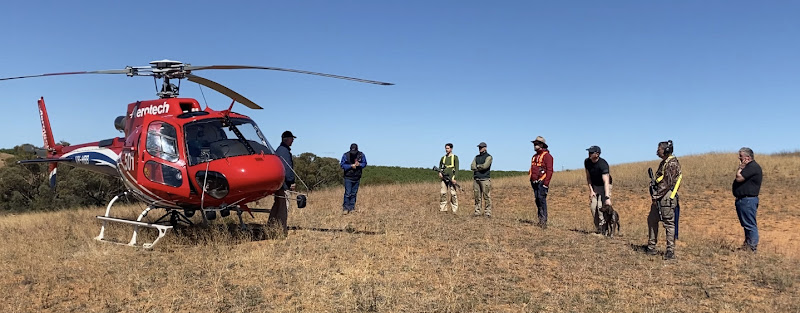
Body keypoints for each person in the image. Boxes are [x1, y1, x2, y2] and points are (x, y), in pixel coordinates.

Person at [646, 140, 682, 260]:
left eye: (659, 149)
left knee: (669, 224)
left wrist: (656, 196)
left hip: (666, 196)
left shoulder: (672, 163)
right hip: (659, 195)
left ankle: (670, 251)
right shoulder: (664, 162)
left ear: (666, 150)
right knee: (652, 220)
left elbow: (667, 183)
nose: (657, 151)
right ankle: (651, 247)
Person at [732, 147, 762, 252]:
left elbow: (739, 178)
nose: (739, 158)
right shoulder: (749, 167)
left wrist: (740, 168)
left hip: (748, 200)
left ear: (748, 157)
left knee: (750, 224)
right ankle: (747, 245)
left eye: (741, 156)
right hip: (743, 200)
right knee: (746, 224)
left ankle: (752, 247)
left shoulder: (752, 167)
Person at [268, 130, 296, 235]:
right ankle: (281, 230)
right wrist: (291, 181)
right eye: (292, 139)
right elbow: (287, 169)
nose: (293, 141)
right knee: (284, 206)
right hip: (284, 184)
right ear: (287, 139)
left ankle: (271, 226)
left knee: (277, 205)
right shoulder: (284, 151)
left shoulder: (279, 150)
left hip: (279, 184)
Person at [584, 145, 613, 233]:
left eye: (591, 152)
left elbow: (606, 182)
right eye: (589, 152)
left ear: (597, 154)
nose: (589, 154)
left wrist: (607, 197)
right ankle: (599, 229)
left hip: (605, 186)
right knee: (593, 207)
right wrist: (591, 190)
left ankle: (605, 229)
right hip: (595, 186)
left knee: (601, 207)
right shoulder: (587, 162)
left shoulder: (603, 164)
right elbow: (588, 177)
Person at [529, 136, 553, 228]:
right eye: (534, 144)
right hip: (534, 182)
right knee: (537, 200)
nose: (535, 145)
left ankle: (543, 222)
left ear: (542, 145)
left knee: (542, 200)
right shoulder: (534, 156)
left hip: (542, 182)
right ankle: (540, 220)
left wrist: (546, 184)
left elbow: (550, 171)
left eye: (537, 144)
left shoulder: (547, 156)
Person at [340, 143, 367, 214]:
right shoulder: (346, 155)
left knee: (354, 193)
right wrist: (350, 166)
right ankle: (345, 208)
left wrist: (359, 164)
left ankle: (352, 208)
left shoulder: (361, 155)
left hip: (357, 177)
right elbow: (342, 165)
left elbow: (364, 163)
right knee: (347, 193)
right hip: (348, 177)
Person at [471, 142, 493, 217]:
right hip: (476, 179)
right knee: (477, 196)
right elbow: (472, 166)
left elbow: (485, 166)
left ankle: (487, 212)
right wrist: (479, 167)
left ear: (485, 148)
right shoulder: (476, 157)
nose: (480, 149)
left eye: (481, 147)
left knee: (486, 196)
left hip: (485, 179)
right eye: (479, 147)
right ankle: (477, 212)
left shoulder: (489, 157)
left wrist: (477, 167)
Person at [439, 143, 459, 213]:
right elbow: (440, 167)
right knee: (443, 193)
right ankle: (443, 209)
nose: (446, 150)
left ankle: (454, 210)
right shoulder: (443, 158)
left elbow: (457, 169)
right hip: (444, 179)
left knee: (453, 194)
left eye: (448, 148)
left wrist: (454, 178)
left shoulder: (455, 157)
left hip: (451, 178)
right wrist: (440, 173)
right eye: (446, 148)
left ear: (451, 149)